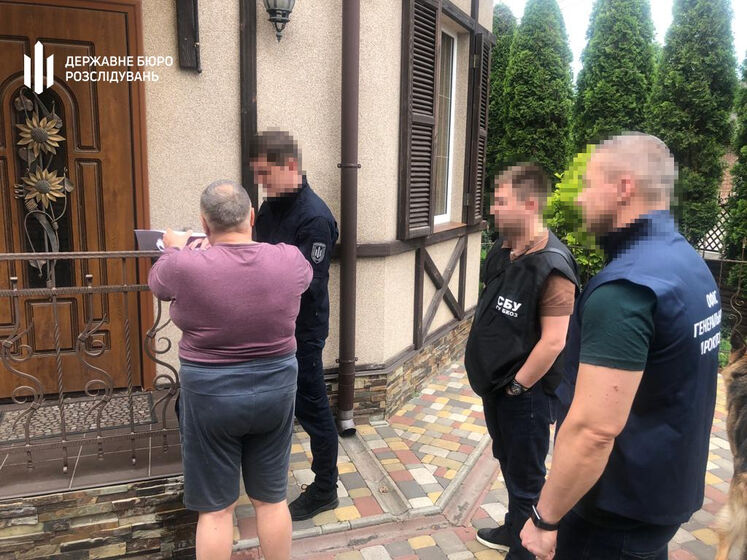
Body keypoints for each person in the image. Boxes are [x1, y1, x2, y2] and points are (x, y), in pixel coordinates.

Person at [520, 133, 722, 560]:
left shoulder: (627, 288)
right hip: (661, 494)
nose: (581, 199)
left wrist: (544, 518)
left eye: (589, 184)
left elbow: (594, 431)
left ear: (623, 187)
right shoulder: (688, 263)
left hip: (613, 513)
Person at [148, 180, 312, 560]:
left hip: (211, 396)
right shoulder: (288, 259)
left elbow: (158, 282)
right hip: (275, 389)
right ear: (252, 217)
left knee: (216, 510)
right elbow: (303, 278)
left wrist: (174, 247)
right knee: (272, 501)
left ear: (204, 224)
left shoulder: (183, 265)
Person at [464, 163, 579, 559]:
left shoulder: (553, 267)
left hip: (525, 396)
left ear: (529, 204)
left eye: (501, 201)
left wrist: (517, 387)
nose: (492, 208)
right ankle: (515, 528)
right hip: (496, 388)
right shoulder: (503, 248)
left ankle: (525, 550)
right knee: (508, 463)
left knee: (527, 478)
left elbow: (554, 341)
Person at [252, 130, 341, 520]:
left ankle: (325, 489)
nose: (261, 184)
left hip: (302, 330)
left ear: (290, 165)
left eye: (265, 174)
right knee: (271, 402)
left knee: (312, 406)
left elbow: (307, 282)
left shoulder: (315, 217)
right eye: (257, 175)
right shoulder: (270, 208)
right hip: (269, 324)